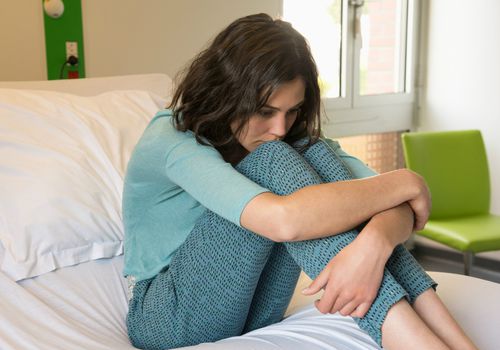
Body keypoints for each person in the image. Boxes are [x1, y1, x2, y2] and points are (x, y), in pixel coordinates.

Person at [123, 13, 477, 350]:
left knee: (315, 151)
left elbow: (396, 205)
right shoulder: (172, 137)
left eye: (291, 111)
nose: (279, 129)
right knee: (276, 160)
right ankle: (411, 339)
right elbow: (285, 220)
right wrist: (407, 180)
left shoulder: (286, 137)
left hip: (254, 308)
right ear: (226, 91)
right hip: (169, 317)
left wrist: (373, 244)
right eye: (265, 111)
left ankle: (458, 343)